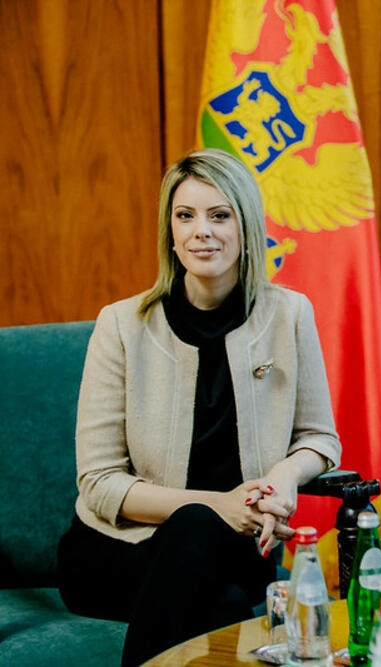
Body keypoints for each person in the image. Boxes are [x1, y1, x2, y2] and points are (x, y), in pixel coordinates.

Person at [57, 148, 342, 665]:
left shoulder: (289, 315)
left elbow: (319, 438)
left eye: (219, 215)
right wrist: (218, 507)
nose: (200, 232)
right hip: (118, 552)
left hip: (238, 550)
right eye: (185, 216)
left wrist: (282, 477)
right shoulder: (121, 325)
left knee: (219, 582)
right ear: (169, 231)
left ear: (246, 226)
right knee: (214, 575)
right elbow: (98, 483)